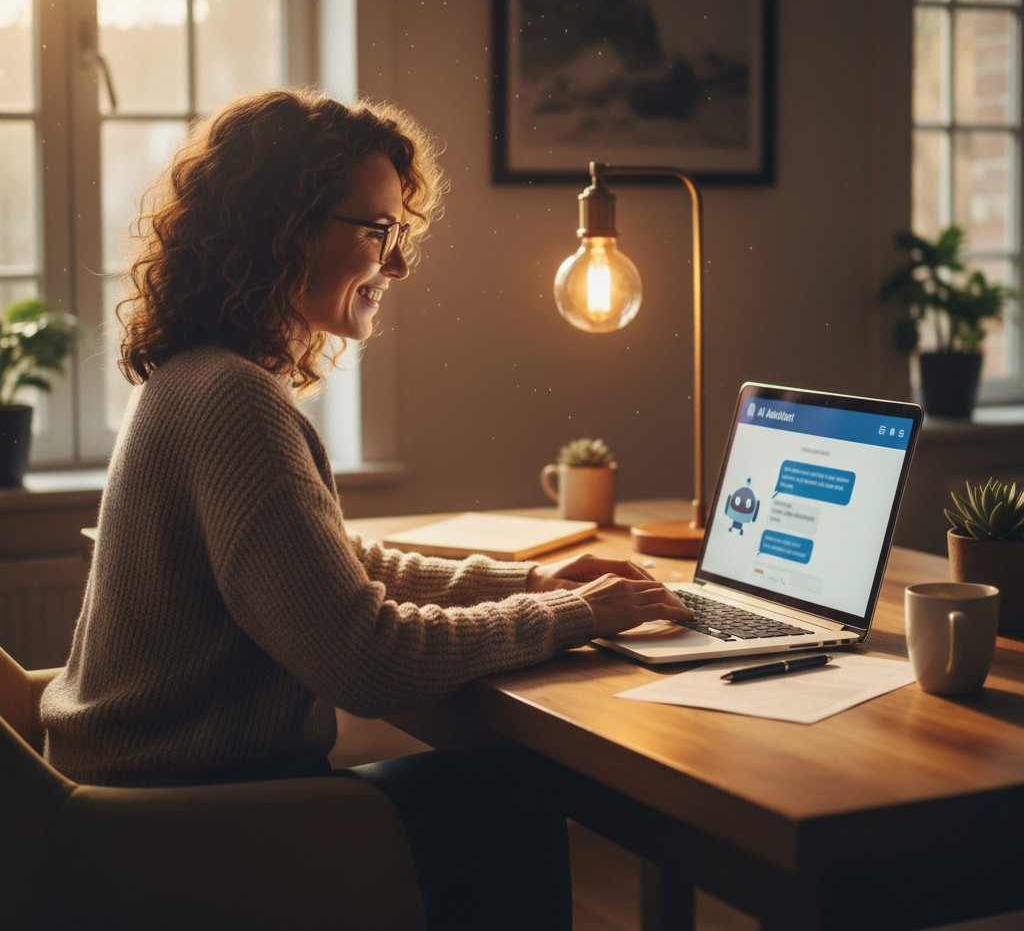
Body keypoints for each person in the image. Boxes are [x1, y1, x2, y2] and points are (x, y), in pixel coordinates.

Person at [40, 88, 691, 929]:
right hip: (183, 829)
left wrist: (530, 581)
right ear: (283, 231)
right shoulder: (235, 400)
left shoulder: (197, 377)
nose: (400, 264)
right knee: (517, 796)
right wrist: (574, 613)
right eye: (378, 231)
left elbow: (338, 570)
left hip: (127, 810)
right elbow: (366, 659)